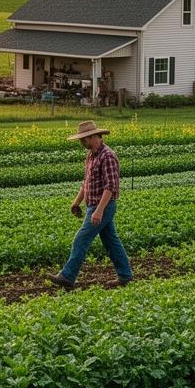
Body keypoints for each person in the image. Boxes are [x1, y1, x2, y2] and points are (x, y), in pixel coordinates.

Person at [48, 119, 133, 289]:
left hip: (103, 206)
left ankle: (67, 276)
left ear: (95, 136)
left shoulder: (107, 156)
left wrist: (99, 211)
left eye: (84, 139)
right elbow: (87, 181)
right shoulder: (91, 155)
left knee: (81, 239)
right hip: (93, 206)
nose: (82, 142)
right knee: (111, 242)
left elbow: (111, 186)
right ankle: (125, 275)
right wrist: (76, 202)